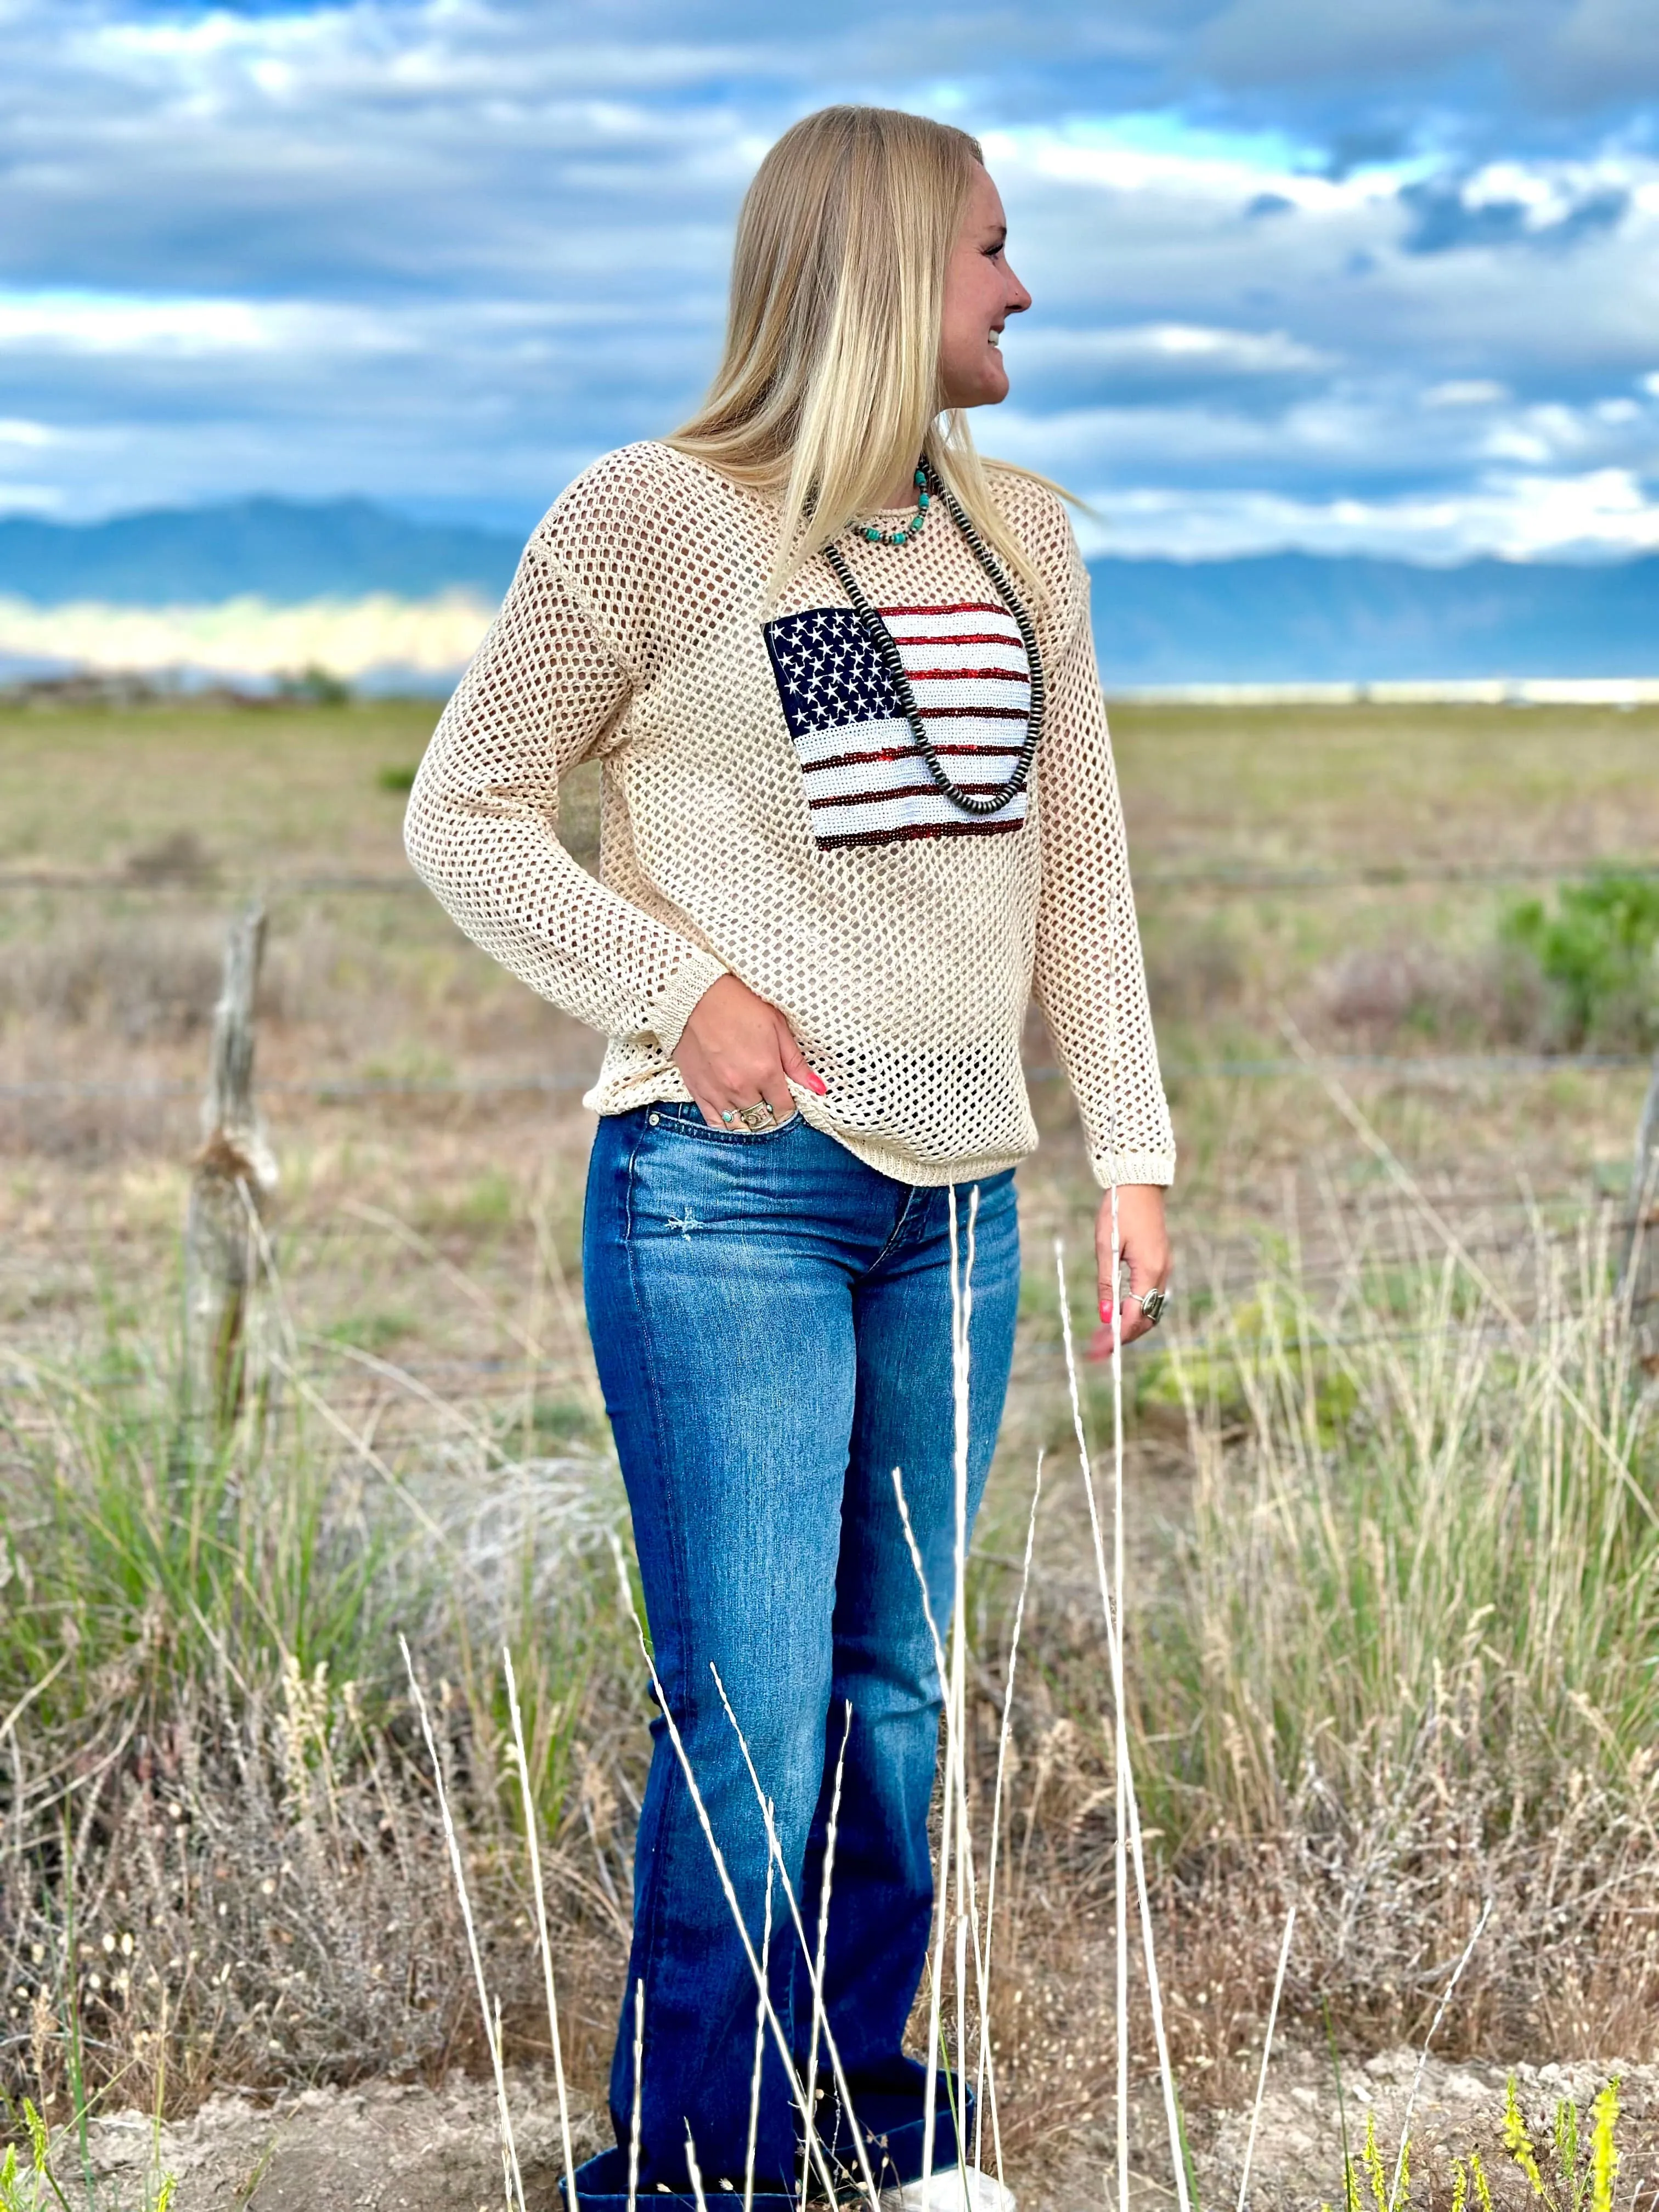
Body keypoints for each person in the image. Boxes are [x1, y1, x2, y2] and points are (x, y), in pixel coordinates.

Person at [405, 103, 1174, 2212]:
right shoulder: (650, 521)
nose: (1025, 287)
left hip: (963, 1206)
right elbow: (463, 810)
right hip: (726, 1195)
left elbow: (1081, 871)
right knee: (749, 1711)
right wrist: (682, 992)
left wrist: (1134, 1151)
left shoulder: (1029, 535)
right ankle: (687, 2171)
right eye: (996, 248)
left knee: (897, 1697)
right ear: (880, 266)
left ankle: (857, 2120)